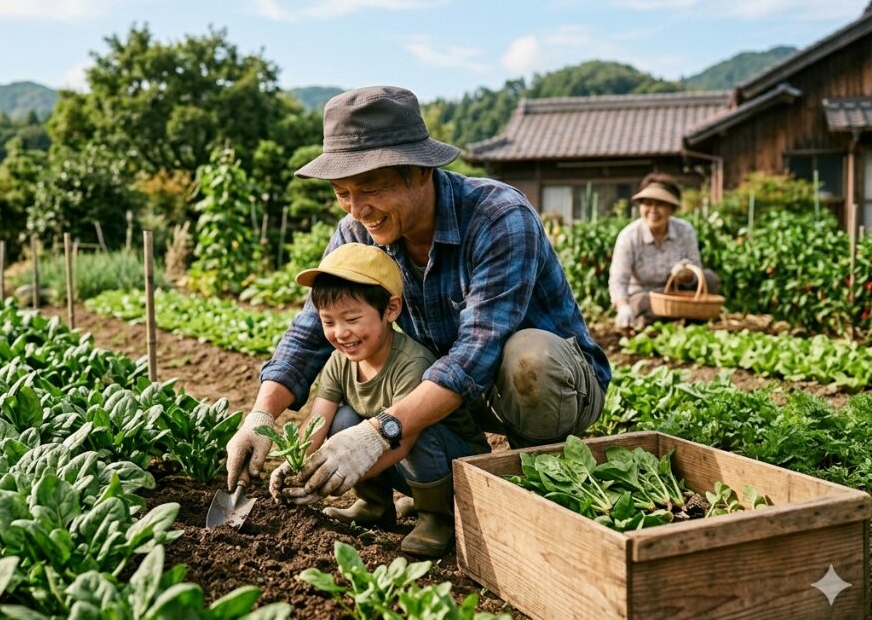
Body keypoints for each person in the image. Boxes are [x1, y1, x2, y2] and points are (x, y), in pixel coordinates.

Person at [225, 85, 610, 558]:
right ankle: (423, 494)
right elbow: (310, 331)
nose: (356, 209)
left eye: (370, 188)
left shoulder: (497, 215)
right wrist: (262, 417)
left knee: (526, 359)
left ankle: (542, 477)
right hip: (460, 389)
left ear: (421, 171)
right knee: (379, 376)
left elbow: (477, 353)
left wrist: (380, 432)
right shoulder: (357, 231)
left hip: (549, 387)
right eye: (343, 193)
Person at [268, 242, 486, 556]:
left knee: (410, 425)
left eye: (352, 319)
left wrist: (333, 478)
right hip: (405, 466)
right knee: (343, 420)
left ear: (390, 310)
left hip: (454, 466)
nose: (341, 333)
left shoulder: (412, 363)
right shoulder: (340, 362)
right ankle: (375, 504)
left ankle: (437, 518)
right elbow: (319, 420)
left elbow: (405, 442)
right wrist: (296, 465)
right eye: (328, 322)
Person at [610, 174, 720, 330]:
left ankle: (691, 327)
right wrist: (623, 307)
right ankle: (656, 321)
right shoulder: (629, 236)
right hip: (644, 295)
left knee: (709, 279)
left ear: (672, 208)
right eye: (647, 204)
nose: (653, 210)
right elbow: (618, 279)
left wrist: (686, 274)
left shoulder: (685, 231)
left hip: (676, 292)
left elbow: (697, 270)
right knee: (645, 303)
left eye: (660, 204)